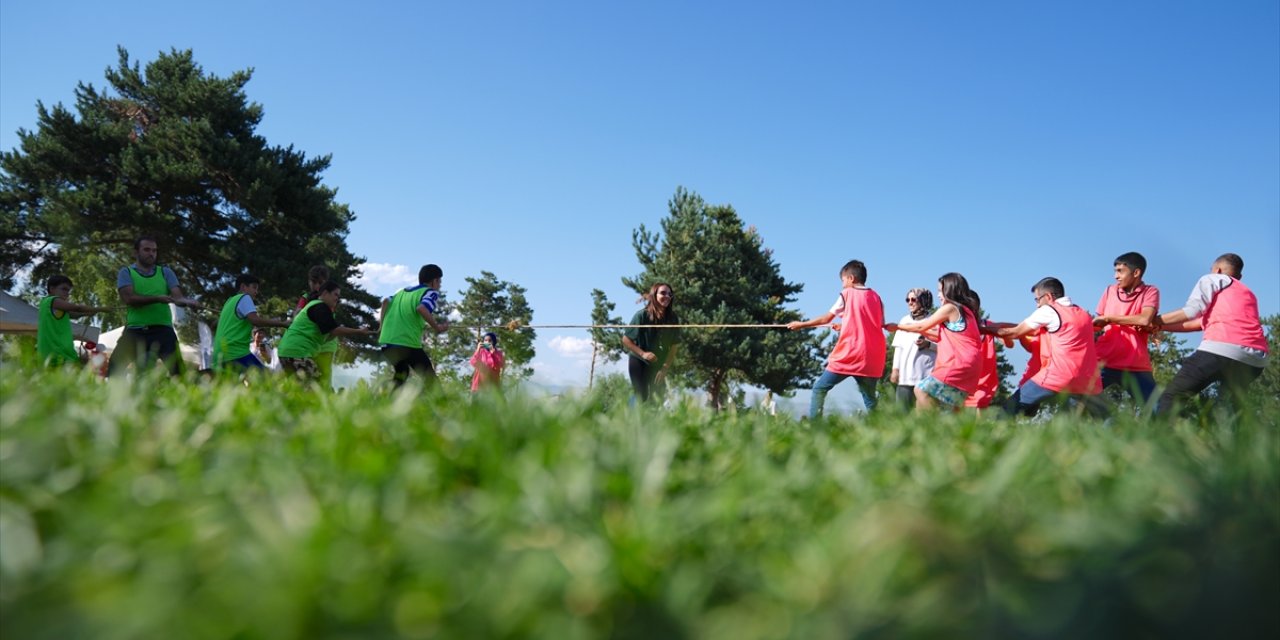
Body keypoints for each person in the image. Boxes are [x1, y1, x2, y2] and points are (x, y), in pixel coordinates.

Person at [1152, 253, 1268, 418]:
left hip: (1220, 350)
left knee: (1171, 398)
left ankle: (1159, 441)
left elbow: (1191, 311)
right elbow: (1198, 323)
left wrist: (1152, 320)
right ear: (1239, 276)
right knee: (1228, 412)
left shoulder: (1213, 279)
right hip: (1255, 360)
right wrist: (1161, 325)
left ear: (1217, 270)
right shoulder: (1248, 294)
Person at [989, 277, 1105, 418]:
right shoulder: (1083, 314)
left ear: (1049, 296)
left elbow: (1014, 332)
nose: (1037, 305)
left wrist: (980, 329)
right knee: (1106, 419)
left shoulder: (1049, 311)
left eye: (1037, 299)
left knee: (1009, 409)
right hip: (1087, 381)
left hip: (1057, 377)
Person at [788, 260, 886, 418]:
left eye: (843, 281)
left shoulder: (847, 294)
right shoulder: (877, 297)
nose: (842, 285)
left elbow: (826, 318)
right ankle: (882, 434)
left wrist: (802, 324)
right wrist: (844, 326)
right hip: (873, 356)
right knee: (870, 400)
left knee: (820, 388)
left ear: (851, 278)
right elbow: (877, 324)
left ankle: (815, 427)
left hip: (851, 353)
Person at [885, 273, 983, 412]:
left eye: (940, 291)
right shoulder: (966, 312)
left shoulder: (950, 308)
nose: (938, 295)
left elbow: (922, 326)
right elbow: (938, 335)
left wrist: (898, 327)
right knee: (951, 407)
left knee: (921, 390)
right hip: (972, 366)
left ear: (949, 290)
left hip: (958, 364)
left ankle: (933, 429)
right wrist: (914, 331)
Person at [107, 236, 201, 377]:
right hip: (135, 330)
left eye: (154, 251)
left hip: (163, 331)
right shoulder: (126, 272)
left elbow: (178, 297)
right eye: (147, 249)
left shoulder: (165, 272)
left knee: (179, 374)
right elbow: (129, 298)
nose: (151, 253)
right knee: (114, 370)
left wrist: (188, 302)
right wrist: (157, 298)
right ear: (135, 252)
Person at [1092, 251, 1160, 405]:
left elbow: (1144, 319)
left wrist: (1110, 319)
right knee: (1076, 400)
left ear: (1136, 272)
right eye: (1115, 271)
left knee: (1157, 409)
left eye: (1120, 271)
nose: (1116, 276)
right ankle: (1109, 423)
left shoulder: (1151, 291)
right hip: (1103, 361)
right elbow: (1098, 324)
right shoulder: (1109, 291)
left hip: (1135, 364)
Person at [278, 280, 375, 381]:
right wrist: (359, 331)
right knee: (315, 387)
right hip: (297, 353)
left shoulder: (314, 305)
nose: (337, 298)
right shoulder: (320, 306)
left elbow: (327, 335)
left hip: (287, 351)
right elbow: (334, 330)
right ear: (325, 293)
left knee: (300, 388)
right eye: (335, 294)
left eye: (339, 296)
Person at [378, 264, 449, 388]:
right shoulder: (429, 292)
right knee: (430, 379)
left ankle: (385, 400)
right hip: (406, 343)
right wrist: (437, 327)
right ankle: (443, 405)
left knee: (402, 374)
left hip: (386, 342)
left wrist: (381, 326)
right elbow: (421, 308)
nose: (440, 285)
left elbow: (385, 302)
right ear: (434, 281)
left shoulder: (402, 292)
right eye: (440, 281)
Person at [211, 274, 291, 372]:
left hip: (220, 354)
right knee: (266, 379)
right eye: (254, 287)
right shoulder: (244, 297)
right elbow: (256, 321)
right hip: (235, 353)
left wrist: (276, 320)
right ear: (243, 287)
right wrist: (284, 324)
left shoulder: (229, 302)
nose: (256, 292)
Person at [622, 282, 680, 404]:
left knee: (658, 396)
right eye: (663, 293)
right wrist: (643, 354)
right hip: (639, 360)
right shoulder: (642, 315)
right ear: (654, 295)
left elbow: (674, 346)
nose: (667, 296)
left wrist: (665, 367)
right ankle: (627, 419)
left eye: (670, 294)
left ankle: (651, 422)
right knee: (641, 395)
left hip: (658, 363)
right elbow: (626, 340)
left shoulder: (673, 318)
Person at [37, 275, 112, 366]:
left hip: (52, 351)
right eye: (64, 289)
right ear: (52, 289)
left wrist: (86, 313)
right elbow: (77, 308)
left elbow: (73, 314)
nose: (67, 293)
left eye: (68, 291)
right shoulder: (53, 300)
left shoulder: (46, 304)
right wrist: (100, 309)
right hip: (58, 351)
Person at [889, 288, 937, 409]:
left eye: (913, 299)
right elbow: (898, 348)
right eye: (907, 299)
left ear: (924, 301)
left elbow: (944, 348)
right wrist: (895, 370)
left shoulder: (934, 321)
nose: (910, 302)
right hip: (904, 378)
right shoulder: (904, 321)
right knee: (902, 417)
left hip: (925, 379)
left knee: (922, 419)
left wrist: (928, 344)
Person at [297, 265, 339, 389]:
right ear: (309, 282)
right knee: (307, 382)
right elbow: (297, 314)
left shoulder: (329, 299)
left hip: (326, 345)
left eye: (320, 283)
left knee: (323, 381)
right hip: (308, 345)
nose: (316, 286)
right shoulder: (305, 297)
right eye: (314, 282)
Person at [963, 291, 1003, 414]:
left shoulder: (988, 325)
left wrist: (1004, 336)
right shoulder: (961, 327)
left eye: (973, 307)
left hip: (985, 380)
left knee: (980, 404)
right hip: (965, 379)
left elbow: (1008, 343)